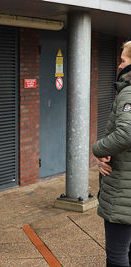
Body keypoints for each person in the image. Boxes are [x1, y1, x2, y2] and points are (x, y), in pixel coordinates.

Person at [92, 40, 131, 267]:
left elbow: (126, 133)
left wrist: (98, 150)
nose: (119, 66)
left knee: (117, 256)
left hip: (123, 193)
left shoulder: (128, 94)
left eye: (123, 60)